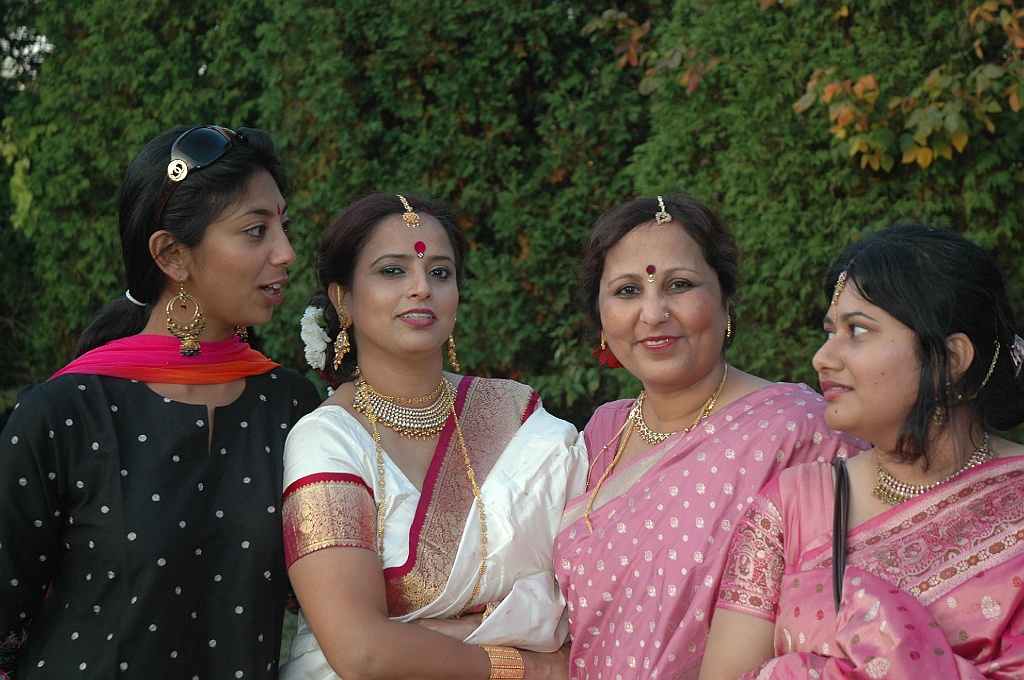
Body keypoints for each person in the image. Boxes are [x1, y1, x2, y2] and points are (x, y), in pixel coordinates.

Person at [0, 125, 320, 678]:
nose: (286, 253)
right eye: (255, 231)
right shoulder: (63, 414)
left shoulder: (289, 404)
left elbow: (327, 595)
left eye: (283, 227)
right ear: (172, 255)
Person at [552, 194, 861, 680]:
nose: (653, 313)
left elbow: (846, 618)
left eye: (679, 285)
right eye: (628, 291)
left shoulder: (800, 430)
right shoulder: (601, 435)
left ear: (725, 300)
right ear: (601, 317)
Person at [281, 192, 587, 680]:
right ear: (343, 298)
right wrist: (531, 667)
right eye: (392, 271)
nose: (422, 288)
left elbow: (587, 587)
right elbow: (361, 651)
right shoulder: (328, 441)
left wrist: (438, 634)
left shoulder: (514, 412)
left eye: (440, 272)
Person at [700, 225, 1024, 679]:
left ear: (950, 359)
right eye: (829, 331)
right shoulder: (792, 507)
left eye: (856, 330)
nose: (822, 358)